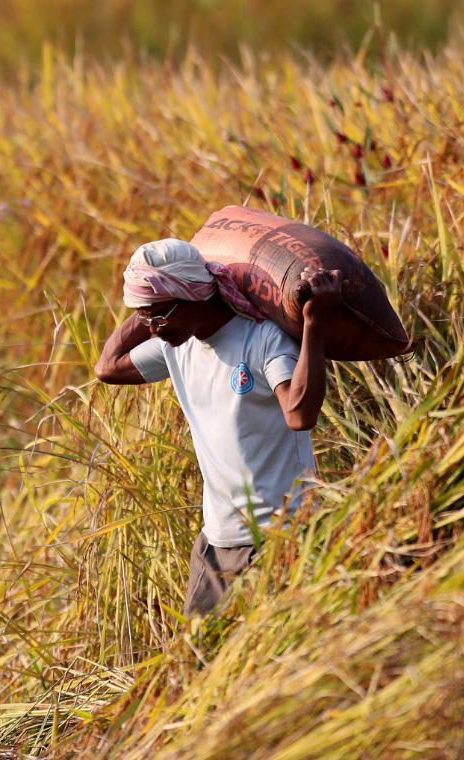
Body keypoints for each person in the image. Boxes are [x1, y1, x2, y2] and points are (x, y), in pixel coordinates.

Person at [95, 238, 343, 617]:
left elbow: (299, 414)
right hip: (215, 544)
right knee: (194, 665)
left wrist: (313, 322)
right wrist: (150, 302)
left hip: (280, 536)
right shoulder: (175, 346)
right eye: (147, 318)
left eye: (160, 316)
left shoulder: (261, 339)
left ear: (195, 295)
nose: (154, 329)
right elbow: (108, 367)